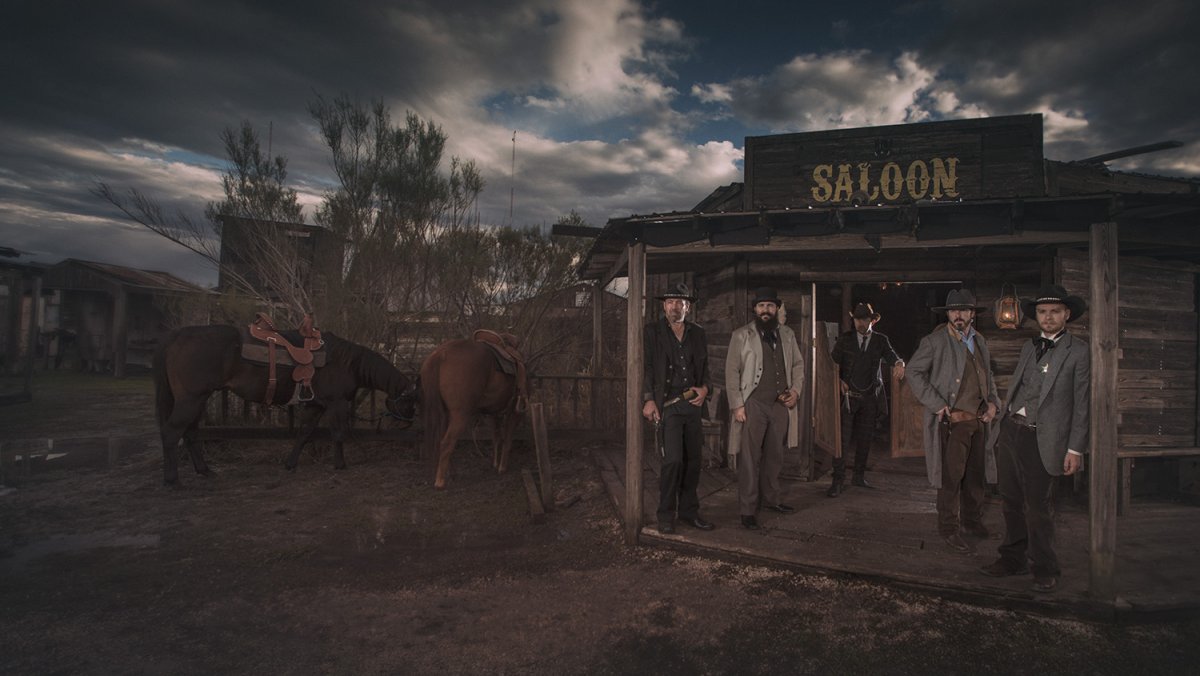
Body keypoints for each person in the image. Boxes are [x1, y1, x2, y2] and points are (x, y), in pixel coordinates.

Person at [980, 284, 1089, 593]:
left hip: (1044, 438)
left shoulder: (1079, 351)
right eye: (1043, 312)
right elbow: (1020, 387)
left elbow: (1082, 404)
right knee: (1010, 501)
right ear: (1036, 316)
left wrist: (1075, 448)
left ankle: (1044, 566)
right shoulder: (1029, 347)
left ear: (1067, 314)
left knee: (1038, 506)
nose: (1048, 317)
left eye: (1055, 311)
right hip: (1012, 431)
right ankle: (1012, 559)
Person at [906, 289, 1001, 554]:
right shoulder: (934, 342)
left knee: (975, 477)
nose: (958, 315)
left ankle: (972, 522)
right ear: (947, 314)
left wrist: (994, 404)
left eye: (963, 310)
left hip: (979, 421)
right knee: (951, 478)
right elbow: (913, 372)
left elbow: (988, 377)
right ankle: (949, 528)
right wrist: (938, 405)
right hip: (952, 422)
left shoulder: (979, 341)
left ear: (972, 314)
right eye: (953, 310)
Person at [725, 287, 804, 530]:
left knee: (775, 456)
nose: (766, 310)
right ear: (755, 309)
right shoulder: (741, 335)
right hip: (753, 404)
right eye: (761, 306)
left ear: (776, 308)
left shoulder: (788, 334)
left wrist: (796, 392)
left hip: (780, 405)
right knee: (749, 458)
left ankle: (771, 500)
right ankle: (748, 510)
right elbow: (732, 371)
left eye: (770, 306)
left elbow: (799, 366)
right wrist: (737, 405)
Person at [642, 282, 714, 534]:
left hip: (693, 404)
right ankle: (665, 514)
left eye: (680, 302)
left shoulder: (698, 333)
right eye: (670, 302)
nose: (675, 306)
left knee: (693, 461)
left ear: (688, 307)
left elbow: (705, 367)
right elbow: (647, 367)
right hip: (669, 406)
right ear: (664, 306)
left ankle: (688, 512)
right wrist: (648, 398)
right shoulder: (652, 332)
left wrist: (705, 389)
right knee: (672, 461)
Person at [828, 302, 905, 496]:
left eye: (864, 319)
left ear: (872, 320)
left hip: (870, 398)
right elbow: (831, 364)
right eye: (857, 319)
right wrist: (837, 380)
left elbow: (892, 356)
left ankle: (858, 476)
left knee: (864, 439)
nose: (860, 323)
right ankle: (837, 480)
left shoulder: (880, 340)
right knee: (842, 442)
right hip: (848, 397)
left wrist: (899, 362)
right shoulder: (845, 340)